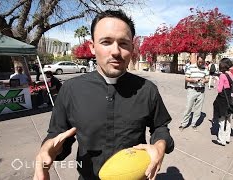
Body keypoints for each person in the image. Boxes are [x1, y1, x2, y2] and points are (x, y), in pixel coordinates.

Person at [33, 9, 174, 180]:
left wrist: (159, 146)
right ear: (92, 47)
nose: (116, 51)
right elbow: (58, 134)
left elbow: (160, 127)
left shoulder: (147, 89)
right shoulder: (71, 89)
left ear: (132, 48)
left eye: (123, 43)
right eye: (106, 42)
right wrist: (47, 149)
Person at [179, 53, 209, 132]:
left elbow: (207, 79)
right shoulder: (190, 67)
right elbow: (186, 78)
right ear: (196, 59)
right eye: (199, 62)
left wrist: (204, 80)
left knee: (198, 109)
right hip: (192, 90)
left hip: (201, 91)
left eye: (202, 62)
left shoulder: (205, 68)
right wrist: (193, 80)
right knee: (188, 107)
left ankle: (194, 124)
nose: (200, 63)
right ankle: (184, 124)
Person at [212, 58, 233, 146]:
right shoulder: (230, 74)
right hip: (229, 99)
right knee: (228, 120)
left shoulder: (222, 76)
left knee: (221, 121)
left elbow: (219, 89)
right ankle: (227, 137)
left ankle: (221, 139)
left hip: (222, 100)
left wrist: (217, 81)